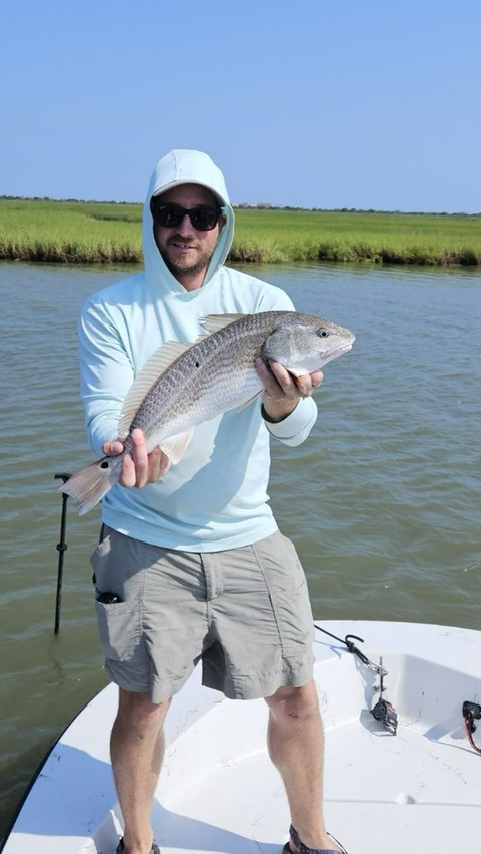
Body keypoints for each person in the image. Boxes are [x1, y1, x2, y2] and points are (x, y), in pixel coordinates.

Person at [76, 149, 347, 854]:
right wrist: (123, 451)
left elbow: (294, 435)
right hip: (141, 538)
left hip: (247, 534)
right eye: (171, 214)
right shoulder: (110, 309)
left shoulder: (267, 307)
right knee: (142, 708)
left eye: (202, 215)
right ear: (152, 220)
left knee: (298, 697)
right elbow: (110, 408)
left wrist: (286, 404)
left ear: (223, 223)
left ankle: (311, 839)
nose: (186, 229)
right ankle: (138, 844)